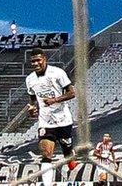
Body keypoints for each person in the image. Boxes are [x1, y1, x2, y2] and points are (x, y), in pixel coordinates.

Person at [25, 48, 77, 186]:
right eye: (32, 61)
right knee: (46, 154)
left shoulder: (57, 73)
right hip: (45, 121)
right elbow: (32, 99)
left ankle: (69, 154)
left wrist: (55, 100)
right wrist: (31, 108)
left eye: (38, 60)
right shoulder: (30, 79)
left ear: (44, 59)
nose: (35, 63)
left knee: (68, 154)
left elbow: (72, 93)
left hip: (63, 119)